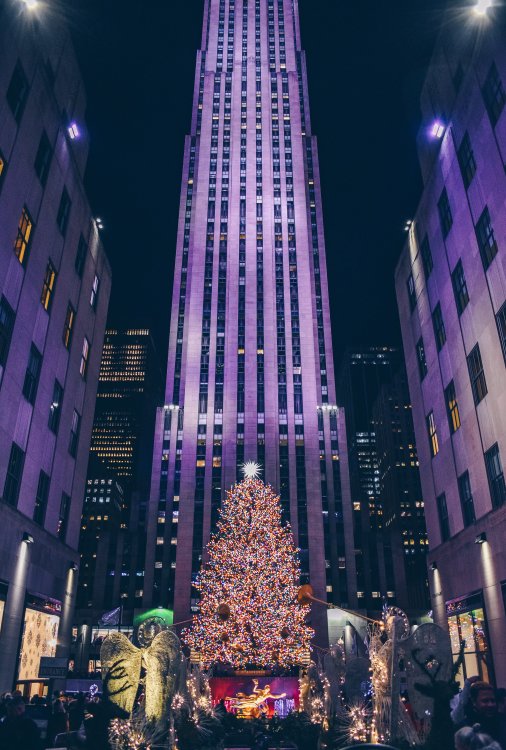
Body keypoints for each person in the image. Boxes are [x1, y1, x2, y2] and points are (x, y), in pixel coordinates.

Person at [455, 682, 506, 749]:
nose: (490, 705)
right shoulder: (465, 727)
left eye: (492, 700)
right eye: (485, 701)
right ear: (474, 702)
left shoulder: (502, 721)